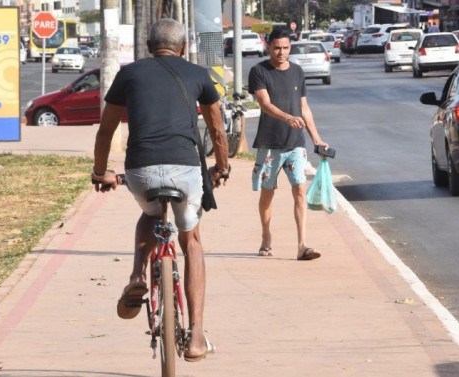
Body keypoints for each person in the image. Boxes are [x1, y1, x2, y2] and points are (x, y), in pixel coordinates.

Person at [91, 18, 229, 362]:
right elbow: (217, 129)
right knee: (192, 241)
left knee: (149, 214)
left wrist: (100, 172)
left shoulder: (130, 74)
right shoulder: (200, 75)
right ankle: (196, 335)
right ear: (182, 48)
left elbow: (106, 130)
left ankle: (138, 274)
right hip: (185, 169)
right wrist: (222, 167)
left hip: (141, 169)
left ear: (149, 47)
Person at [248, 27, 329, 261]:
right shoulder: (259, 71)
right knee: (267, 193)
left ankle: (302, 245)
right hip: (270, 144)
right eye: (276, 48)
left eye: (285, 48)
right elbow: (263, 103)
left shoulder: (297, 72)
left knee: (300, 190)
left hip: (295, 144)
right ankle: (266, 238)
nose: (281, 53)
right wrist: (287, 118)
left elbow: (304, 108)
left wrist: (316, 138)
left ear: (289, 47)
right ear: (268, 46)